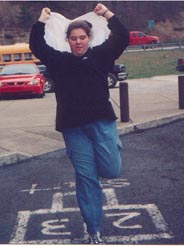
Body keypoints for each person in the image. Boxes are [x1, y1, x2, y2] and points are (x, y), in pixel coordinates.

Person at [30, 3, 129, 244]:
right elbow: (37, 45)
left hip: (102, 124)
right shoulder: (59, 61)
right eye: (73, 38)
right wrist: (41, 21)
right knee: (86, 179)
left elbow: (122, 36)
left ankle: (112, 148)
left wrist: (106, 14)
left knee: (111, 170)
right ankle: (93, 230)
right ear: (68, 40)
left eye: (82, 37)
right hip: (73, 128)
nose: (78, 42)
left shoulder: (101, 56)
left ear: (89, 38)